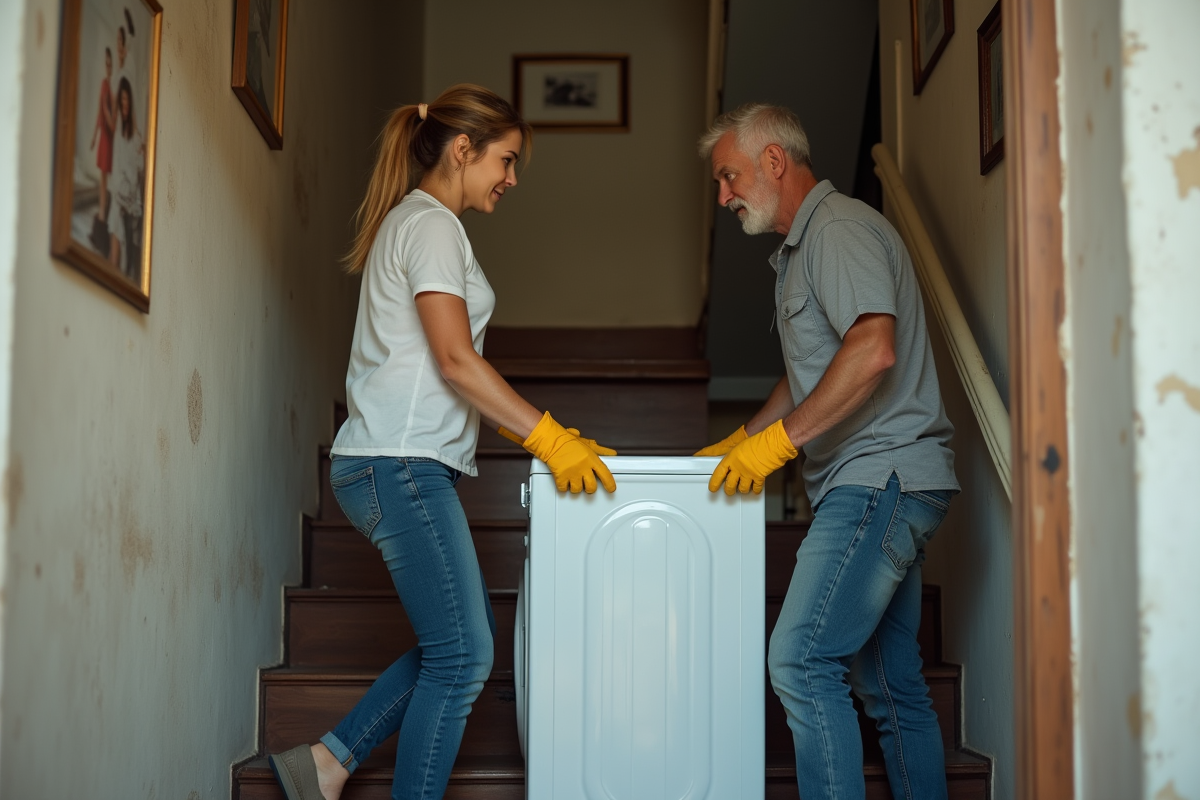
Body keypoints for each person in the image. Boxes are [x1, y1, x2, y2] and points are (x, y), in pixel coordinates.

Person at [267, 84, 617, 800]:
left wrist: (535, 430)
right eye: (506, 159)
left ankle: (326, 765)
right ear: (464, 150)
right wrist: (547, 437)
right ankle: (335, 767)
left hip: (399, 463)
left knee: (458, 649)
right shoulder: (430, 226)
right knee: (463, 658)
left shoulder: (423, 223)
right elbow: (457, 360)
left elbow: (445, 368)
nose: (513, 178)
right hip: (398, 465)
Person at [695, 104, 959, 800]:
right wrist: (745, 438)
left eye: (729, 175)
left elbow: (872, 349)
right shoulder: (799, 253)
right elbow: (813, 367)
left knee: (801, 661)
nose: (722, 195)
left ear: (774, 160)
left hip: (878, 480)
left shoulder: (837, 230)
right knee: (890, 682)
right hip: (889, 479)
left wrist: (779, 445)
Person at [108, 77, 143, 279]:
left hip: (130, 198)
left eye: (127, 99)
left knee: (128, 254)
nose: (125, 104)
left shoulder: (135, 135)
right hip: (120, 194)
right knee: (116, 225)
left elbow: (137, 166)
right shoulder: (119, 133)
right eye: (122, 100)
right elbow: (119, 165)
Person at [89, 47, 114, 231]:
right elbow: (99, 111)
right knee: (103, 177)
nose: (107, 66)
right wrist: (94, 136)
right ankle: (102, 214)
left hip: (112, 138)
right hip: (104, 137)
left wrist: (106, 108)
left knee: (107, 178)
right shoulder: (104, 84)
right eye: (106, 63)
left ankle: (104, 214)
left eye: (109, 63)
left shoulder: (114, 85)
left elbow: (110, 115)